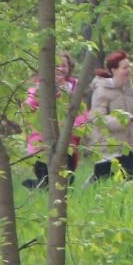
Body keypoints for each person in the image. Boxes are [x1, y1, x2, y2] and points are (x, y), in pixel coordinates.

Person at [86, 51, 133, 181]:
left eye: (129, 67)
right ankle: (85, 192)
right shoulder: (101, 90)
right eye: (124, 68)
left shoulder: (131, 90)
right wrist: (121, 120)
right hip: (107, 148)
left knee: (126, 184)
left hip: (127, 147)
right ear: (114, 70)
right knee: (103, 185)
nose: (128, 70)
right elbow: (97, 119)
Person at [23, 53, 85, 188]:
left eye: (64, 65)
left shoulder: (74, 90)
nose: (60, 69)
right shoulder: (37, 90)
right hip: (43, 144)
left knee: (67, 183)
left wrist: (70, 128)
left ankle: (34, 186)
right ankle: (36, 187)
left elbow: (82, 116)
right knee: (47, 181)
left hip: (68, 144)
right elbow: (27, 112)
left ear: (69, 68)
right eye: (56, 65)